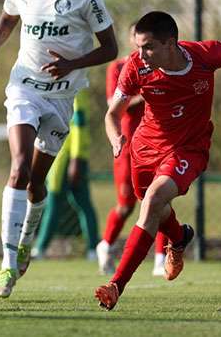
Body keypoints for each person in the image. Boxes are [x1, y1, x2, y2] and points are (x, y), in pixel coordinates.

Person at [0, 0, 117, 298]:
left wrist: (72, 65)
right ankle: (7, 266)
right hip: (24, 88)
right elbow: (8, 17)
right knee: (18, 167)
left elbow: (111, 48)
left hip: (61, 98)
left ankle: (26, 240)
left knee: (38, 184)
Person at [95, 11, 221, 310]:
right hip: (143, 149)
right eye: (138, 47)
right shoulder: (135, 68)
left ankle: (115, 285)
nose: (140, 54)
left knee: (152, 200)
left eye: (148, 47)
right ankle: (179, 238)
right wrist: (116, 139)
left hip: (188, 149)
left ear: (171, 43)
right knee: (153, 206)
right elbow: (112, 114)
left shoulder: (204, 55)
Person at [96, 24, 167, 276]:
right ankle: (105, 245)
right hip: (127, 144)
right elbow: (112, 106)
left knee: (157, 199)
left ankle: (160, 258)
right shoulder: (118, 68)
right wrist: (145, 95)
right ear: (132, 39)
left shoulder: (161, 67)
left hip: (156, 142)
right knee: (126, 204)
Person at [31, 89, 100, 260]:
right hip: (61, 155)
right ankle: (93, 249)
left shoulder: (75, 88)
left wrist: (76, 159)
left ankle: (40, 249)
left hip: (67, 158)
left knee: (56, 202)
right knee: (79, 202)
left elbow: (78, 124)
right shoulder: (59, 87)